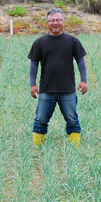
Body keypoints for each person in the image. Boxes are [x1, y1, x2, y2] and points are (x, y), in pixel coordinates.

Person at [28, 8, 88, 147]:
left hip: (67, 89)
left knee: (72, 119)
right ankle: (36, 149)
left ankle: (75, 147)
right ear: (47, 23)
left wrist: (83, 80)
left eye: (58, 20)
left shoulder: (72, 41)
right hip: (46, 89)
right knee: (41, 119)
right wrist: (33, 84)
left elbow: (80, 61)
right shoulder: (39, 42)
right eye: (52, 20)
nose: (55, 23)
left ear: (63, 22)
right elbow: (34, 64)